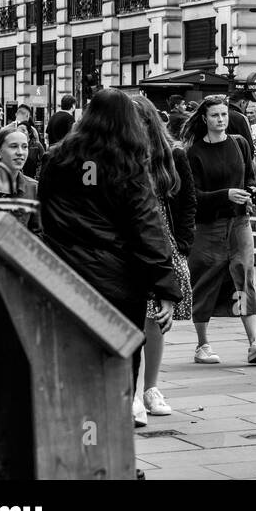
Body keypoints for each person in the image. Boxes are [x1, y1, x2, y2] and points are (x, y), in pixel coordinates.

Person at [39, 91, 182, 421]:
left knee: (73, 369)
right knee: (117, 369)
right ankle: (113, 455)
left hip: (65, 279)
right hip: (117, 283)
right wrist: (164, 288)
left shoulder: (56, 159)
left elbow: (45, 215)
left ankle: (81, 450)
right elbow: (147, 230)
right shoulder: (127, 163)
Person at [183, 95, 256, 366]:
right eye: (215, 116)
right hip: (208, 227)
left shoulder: (239, 143)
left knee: (243, 278)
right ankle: (202, 344)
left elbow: (247, 178)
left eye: (223, 115)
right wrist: (225, 195)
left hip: (239, 223)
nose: (221, 120)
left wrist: (252, 191)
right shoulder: (194, 153)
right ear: (204, 119)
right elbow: (192, 196)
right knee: (205, 280)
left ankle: (254, 342)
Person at [131, 97, 195, 424]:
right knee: (133, 315)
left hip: (161, 241)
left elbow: (187, 201)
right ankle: (131, 392)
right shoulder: (119, 156)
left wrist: (182, 244)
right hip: (129, 244)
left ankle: (150, 388)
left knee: (155, 318)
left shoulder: (172, 155)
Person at [0, 125, 40, 234]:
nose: (20, 152)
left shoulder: (33, 188)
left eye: (25, 146)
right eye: (13, 146)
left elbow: (37, 232)